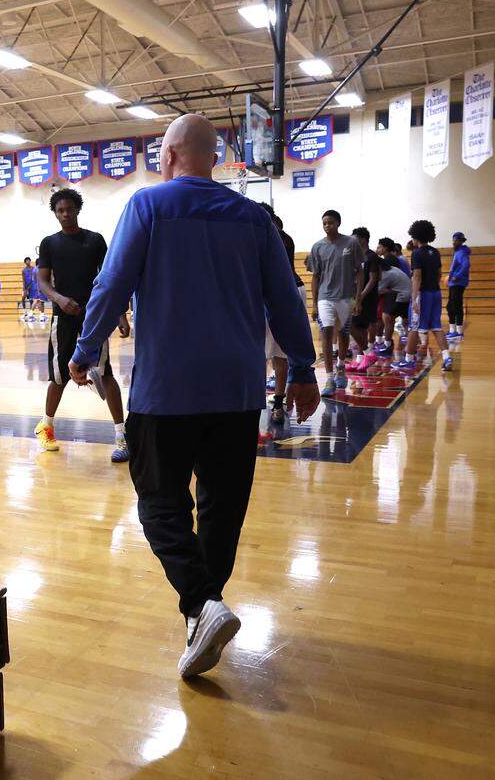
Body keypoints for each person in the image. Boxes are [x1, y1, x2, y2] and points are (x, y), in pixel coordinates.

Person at [66, 114, 320, 678]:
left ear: (170, 154)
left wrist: (85, 351)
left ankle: (202, 606)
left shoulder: (148, 207)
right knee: (222, 509)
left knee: (159, 502)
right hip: (237, 391)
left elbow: (111, 285)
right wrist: (302, 367)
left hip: (166, 390)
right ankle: (203, 614)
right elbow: (286, 298)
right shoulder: (253, 217)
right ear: (214, 157)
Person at [35, 188, 131, 461]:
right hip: (62, 317)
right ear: (55, 213)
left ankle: (122, 436)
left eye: (69, 209)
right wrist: (59, 299)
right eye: (60, 210)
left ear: (78, 209)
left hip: (94, 317)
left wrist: (120, 313)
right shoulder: (49, 244)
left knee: (105, 372)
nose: (65, 214)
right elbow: (42, 281)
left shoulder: (95, 241)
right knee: (59, 376)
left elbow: (111, 278)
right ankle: (46, 426)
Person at [307, 209, 364, 397]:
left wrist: (358, 298)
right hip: (324, 297)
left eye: (330, 222)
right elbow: (315, 276)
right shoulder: (317, 247)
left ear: (338, 223)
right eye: (324, 223)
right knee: (326, 332)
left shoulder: (351, 243)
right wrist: (314, 303)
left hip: (346, 297)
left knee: (343, 333)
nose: (327, 226)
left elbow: (359, 272)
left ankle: (341, 366)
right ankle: (330, 378)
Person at [260, 203, 303, 424]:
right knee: (275, 352)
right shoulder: (281, 235)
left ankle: (276, 401)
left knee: (274, 351)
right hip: (283, 293)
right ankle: (276, 400)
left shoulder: (276, 237)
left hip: (281, 294)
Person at [395, 220, 452, 372]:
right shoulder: (435, 252)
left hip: (423, 295)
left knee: (414, 327)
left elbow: (417, 277)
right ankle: (447, 357)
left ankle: (408, 360)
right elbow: (439, 274)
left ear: (415, 236)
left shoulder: (417, 253)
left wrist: (414, 299)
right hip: (436, 293)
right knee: (436, 326)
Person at [347, 226, 381, 370]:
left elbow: (373, 279)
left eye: (354, 238)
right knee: (359, 327)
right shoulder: (357, 256)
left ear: (362, 239)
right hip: (356, 295)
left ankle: (368, 354)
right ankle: (361, 358)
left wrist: (361, 296)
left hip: (367, 297)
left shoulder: (372, 256)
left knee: (353, 325)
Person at [376, 253, 411, 354]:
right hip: (408, 296)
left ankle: (387, 345)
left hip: (402, 296)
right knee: (406, 321)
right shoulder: (393, 269)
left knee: (387, 317)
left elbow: (377, 291)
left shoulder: (386, 274)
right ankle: (410, 348)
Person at [447, 232, 471, 340]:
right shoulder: (458, 252)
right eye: (453, 240)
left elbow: (466, 265)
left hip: (458, 283)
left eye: (456, 240)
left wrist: (457, 275)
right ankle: (453, 330)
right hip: (454, 283)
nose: (454, 242)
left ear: (461, 241)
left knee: (456, 306)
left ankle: (459, 332)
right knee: (450, 306)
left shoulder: (461, 252)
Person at [21, 256, 37, 321]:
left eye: (29, 260)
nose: (28, 261)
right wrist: (25, 288)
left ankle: (31, 313)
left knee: (31, 300)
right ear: (25, 262)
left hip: (32, 286)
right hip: (25, 286)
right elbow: (23, 279)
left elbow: (34, 278)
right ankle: (25, 312)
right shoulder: (23, 270)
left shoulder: (34, 268)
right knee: (23, 298)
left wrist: (30, 285)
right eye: (26, 261)